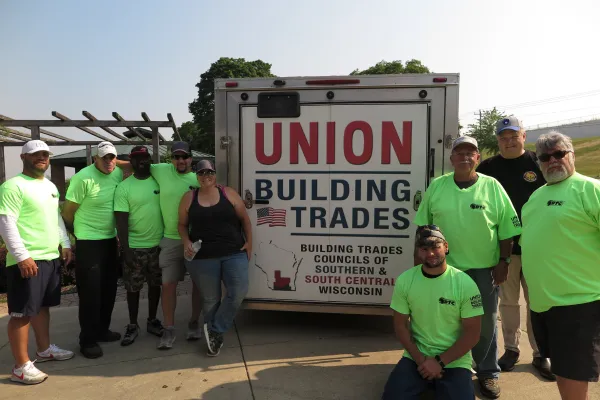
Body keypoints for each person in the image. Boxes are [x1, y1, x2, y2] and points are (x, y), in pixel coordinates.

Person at [413, 135, 522, 399]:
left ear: (478, 158)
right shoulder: (437, 187)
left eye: (470, 153)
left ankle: (487, 372)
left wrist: (504, 261)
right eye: (459, 153)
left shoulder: (492, 186)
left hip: (483, 271)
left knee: (485, 323)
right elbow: (421, 229)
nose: (464, 157)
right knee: (443, 321)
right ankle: (447, 366)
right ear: (451, 159)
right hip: (444, 270)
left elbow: (507, 228)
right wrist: (419, 266)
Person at [520, 131, 600, 400]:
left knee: (574, 376)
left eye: (559, 154)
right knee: (564, 373)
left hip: (579, 303)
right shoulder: (535, 198)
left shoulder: (591, 189)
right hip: (543, 305)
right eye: (545, 157)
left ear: (572, 155)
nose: (552, 160)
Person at [476, 115, 553, 380]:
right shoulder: (487, 168)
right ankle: (511, 349)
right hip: (504, 250)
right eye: (502, 137)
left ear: (524, 136)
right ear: (497, 140)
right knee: (508, 303)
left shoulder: (539, 163)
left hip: (538, 247)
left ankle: (542, 353)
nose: (508, 141)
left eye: (513, 136)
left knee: (538, 302)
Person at [0, 140, 75, 384]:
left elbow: (55, 218)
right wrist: (22, 256)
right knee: (22, 313)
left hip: (49, 257)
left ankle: (44, 350)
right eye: (35, 155)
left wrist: (64, 243)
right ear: (23, 157)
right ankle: (21, 366)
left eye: (45, 154)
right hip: (28, 259)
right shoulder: (12, 186)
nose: (41, 158)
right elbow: (6, 223)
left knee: (42, 307)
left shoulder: (50, 186)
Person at [117, 141, 202, 349]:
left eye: (184, 157)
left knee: (198, 285)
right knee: (167, 285)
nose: (180, 161)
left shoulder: (199, 178)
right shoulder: (162, 170)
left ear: (191, 158)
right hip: (171, 239)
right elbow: (134, 164)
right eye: (176, 157)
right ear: (170, 159)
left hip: (195, 240)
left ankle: (193, 322)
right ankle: (169, 328)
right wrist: (109, 162)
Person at [382, 226, 483, 400]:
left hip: (454, 360)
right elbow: (400, 326)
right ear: (417, 251)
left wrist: (440, 362)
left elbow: (473, 334)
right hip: (416, 359)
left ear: (446, 246)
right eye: (424, 249)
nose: (430, 254)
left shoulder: (465, 284)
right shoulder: (405, 280)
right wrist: (422, 362)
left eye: (436, 247)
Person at [178, 159, 252, 357]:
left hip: (234, 252)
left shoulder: (229, 193)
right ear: (197, 176)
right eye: (201, 173)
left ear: (215, 174)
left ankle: (215, 329)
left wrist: (249, 243)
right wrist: (185, 241)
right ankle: (214, 340)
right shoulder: (189, 197)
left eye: (209, 172)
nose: (206, 176)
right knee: (210, 299)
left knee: (238, 292)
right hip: (203, 257)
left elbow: (245, 219)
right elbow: (182, 225)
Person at [62, 141, 124, 359]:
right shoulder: (82, 178)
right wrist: (75, 237)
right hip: (88, 241)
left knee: (108, 288)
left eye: (112, 157)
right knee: (90, 292)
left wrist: (120, 161)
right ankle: (87, 340)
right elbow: (68, 212)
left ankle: (101, 330)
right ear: (95, 158)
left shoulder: (116, 172)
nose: (109, 162)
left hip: (109, 240)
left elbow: (133, 166)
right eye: (104, 157)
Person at [114, 146, 165, 346]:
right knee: (133, 289)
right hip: (134, 248)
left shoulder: (159, 181)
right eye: (138, 159)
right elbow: (121, 221)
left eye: (145, 158)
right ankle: (133, 325)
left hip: (158, 246)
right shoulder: (124, 187)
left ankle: (152, 320)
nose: (142, 161)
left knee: (155, 286)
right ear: (131, 163)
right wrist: (126, 250)